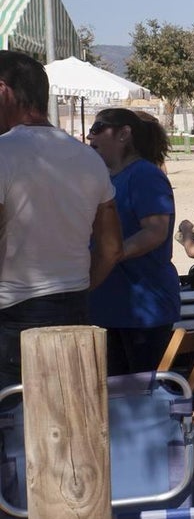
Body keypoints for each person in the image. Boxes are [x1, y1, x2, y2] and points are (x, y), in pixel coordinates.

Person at [0, 51, 122, 389]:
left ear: (4, 91)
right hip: (76, 304)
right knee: (64, 422)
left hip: (15, 314)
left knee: (16, 425)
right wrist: (77, 283)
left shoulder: (4, 153)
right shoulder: (88, 158)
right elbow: (111, 248)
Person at [87, 108, 181, 375]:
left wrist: (111, 255)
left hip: (143, 310)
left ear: (124, 134)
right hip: (111, 308)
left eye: (98, 128)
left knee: (141, 398)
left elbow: (155, 231)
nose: (90, 135)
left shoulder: (144, 175)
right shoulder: (107, 178)